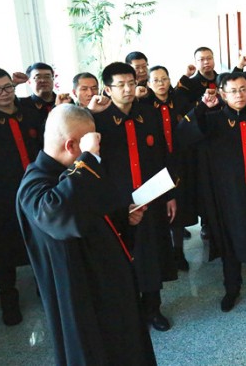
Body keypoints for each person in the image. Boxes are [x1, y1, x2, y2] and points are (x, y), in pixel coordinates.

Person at [16, 104, 157, 366]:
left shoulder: (77, 171)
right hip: (82, 296)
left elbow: (95, 215)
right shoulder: (34, 183)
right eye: (90, 144)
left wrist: (124, 218)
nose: (96, 152)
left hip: (108, 285)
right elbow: (59, 216)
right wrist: (88, 159)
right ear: (71, 146)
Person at [180, 72, 246, 312]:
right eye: (233, 91)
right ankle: (232, 288)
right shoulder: (213, 121)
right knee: (230, 242)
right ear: (223, 94)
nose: (239, 95)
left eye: (243, 89)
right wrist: (201, 107)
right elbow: (183, 133)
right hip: (227, 195)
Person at [89, 62, 177, 332]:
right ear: (108, 89)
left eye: (131, 83)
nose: (128, 89)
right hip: (117, 203)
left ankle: (153, 308)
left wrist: (170, 195)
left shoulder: (148, 114)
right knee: (121, 257)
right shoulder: (97, 122)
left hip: (151, 199)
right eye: (120, 85)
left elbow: (163, 155)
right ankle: (128, 312)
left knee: (151, 254)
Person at [0, 67, 43, 326]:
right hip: (0, 196)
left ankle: (43, 288)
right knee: (3, 249)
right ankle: (9, 299)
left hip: (36, 191)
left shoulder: (29, 113)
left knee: (40, 241)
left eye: (7, 87)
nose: (4, 93)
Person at [146, 65, 196, 271]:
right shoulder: (144, 106)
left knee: (179, 206)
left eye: (164, 79)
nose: (161, 83)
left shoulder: (180, 101)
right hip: (155, 163)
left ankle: (178, 251)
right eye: (156, 80)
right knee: (160, 208)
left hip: (180, 161)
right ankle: (163, 252)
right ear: (149, 84)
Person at [175, 46, 219, 240]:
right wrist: (186, 76)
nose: (206, 62)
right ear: (196, 62)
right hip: (199, 139)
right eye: (201, 59)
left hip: (220, 135)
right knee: (203, 182)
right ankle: (206, 222)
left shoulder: (221, 79)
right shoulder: (190, 84)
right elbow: (179, 102)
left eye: (209, 58)